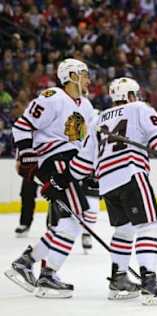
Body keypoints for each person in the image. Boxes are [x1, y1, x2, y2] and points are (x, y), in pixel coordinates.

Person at [44, 77, 157, 304]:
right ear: (131, 95)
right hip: (131, 174)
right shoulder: (139, 108)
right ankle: (149, 283)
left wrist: (59, 181)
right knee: (147, 225)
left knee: (124, 230)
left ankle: (119, 279)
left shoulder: (98, 120)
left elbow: (83, 164)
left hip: (108, 184)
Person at [6, 58, 96, 298]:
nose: (89, 79)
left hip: (70, 163)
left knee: (71, 220)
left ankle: (27, 263)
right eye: (85, 74)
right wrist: (24, 152)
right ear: (73, 75)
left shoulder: (86, 106)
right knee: (78, 217)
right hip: (54, 160)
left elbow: (86, 140)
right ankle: (46, 275)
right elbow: (23, 125)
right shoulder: (53, 96)